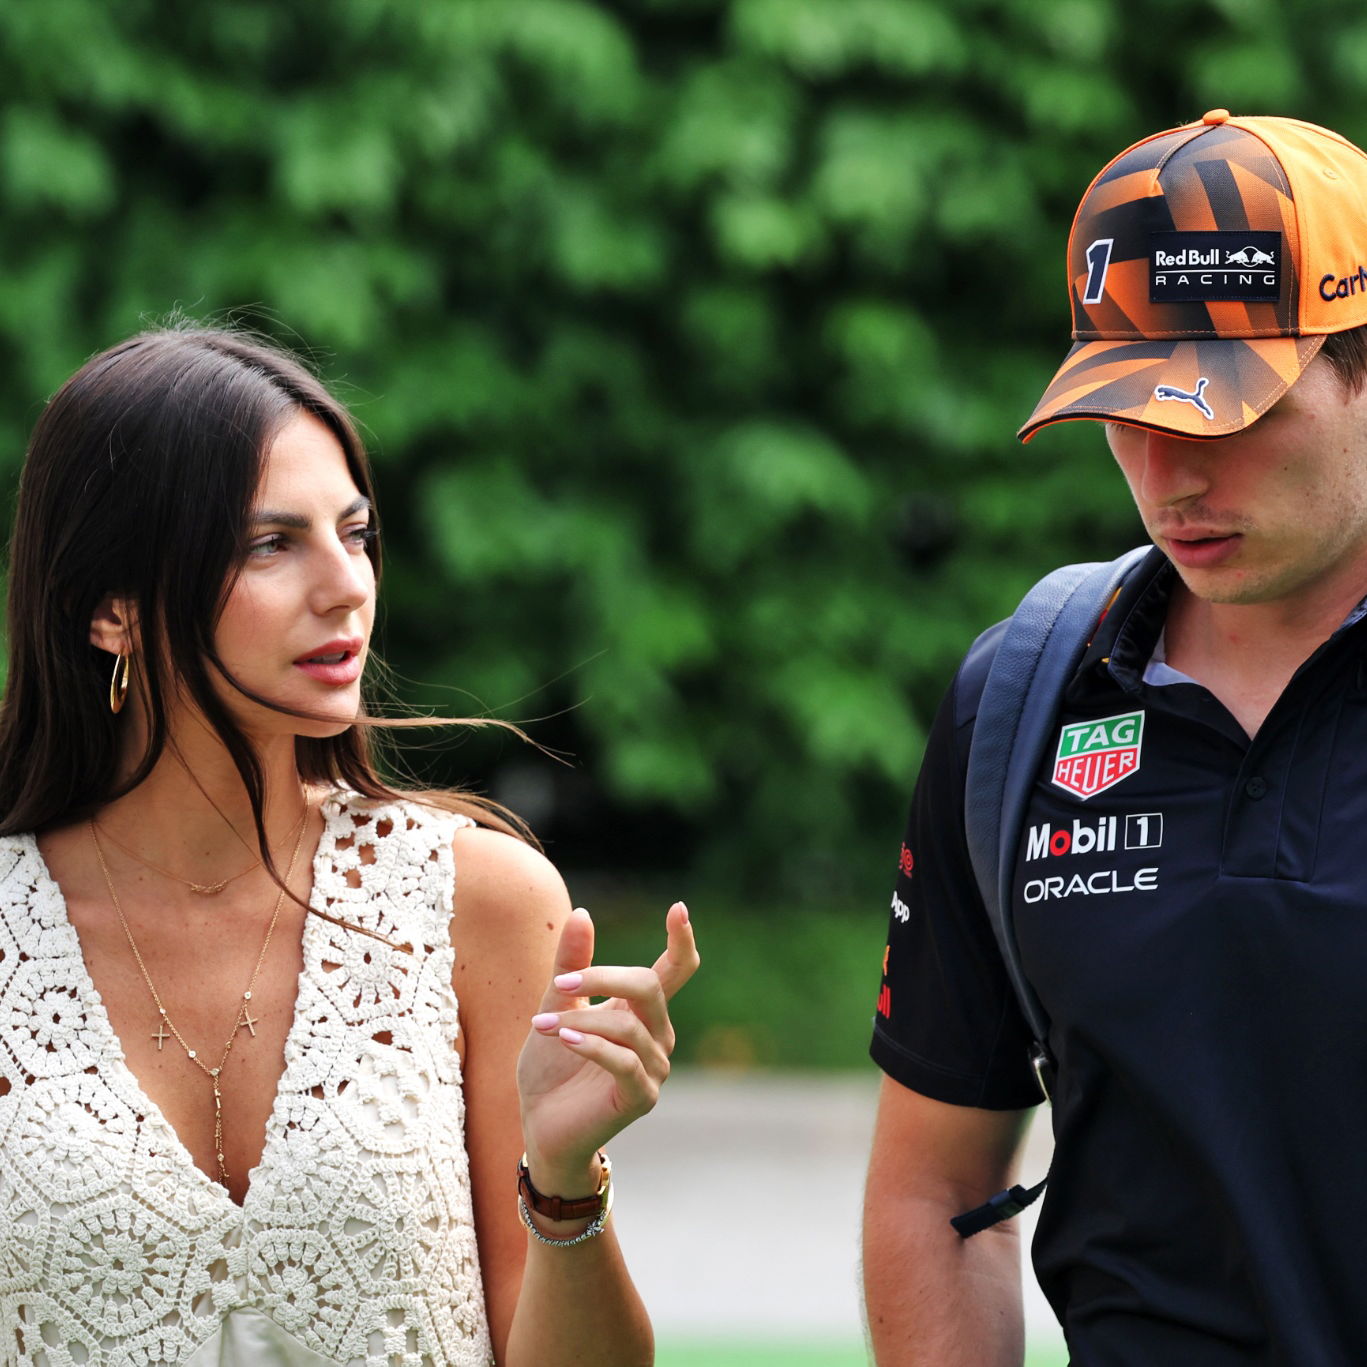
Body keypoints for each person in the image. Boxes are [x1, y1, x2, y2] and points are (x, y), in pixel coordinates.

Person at [0, 323, 699, 1366]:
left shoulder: (481, 900)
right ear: (109, 608)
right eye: (269, 543)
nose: (346, 584)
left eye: (357, 531)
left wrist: (561, 1179)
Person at [863, 109, 1367, 1365]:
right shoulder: (1023, 692)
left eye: (1224, 409)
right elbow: (933, 1191)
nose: (1164, 470)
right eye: (1124, 409)